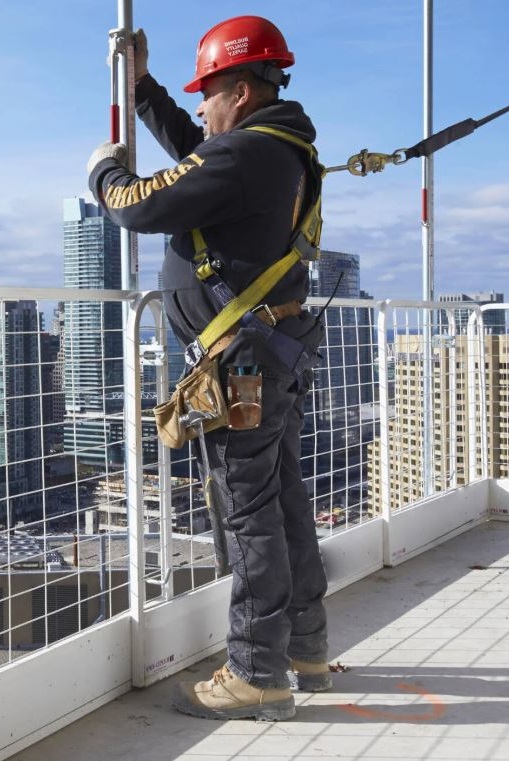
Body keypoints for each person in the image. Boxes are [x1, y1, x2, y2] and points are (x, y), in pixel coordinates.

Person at [86, 16, 331, 721]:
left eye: (209, 91)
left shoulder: (250, 155)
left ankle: (256, 671)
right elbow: (200, 152)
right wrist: (142, 90)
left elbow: (143, 205)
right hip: (269, 352)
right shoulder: (272, 150)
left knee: (250, 515)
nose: (201, 106)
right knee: (281, 502)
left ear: (242, 92)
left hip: (239, 364)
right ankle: (303, 649)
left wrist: (103, 170)